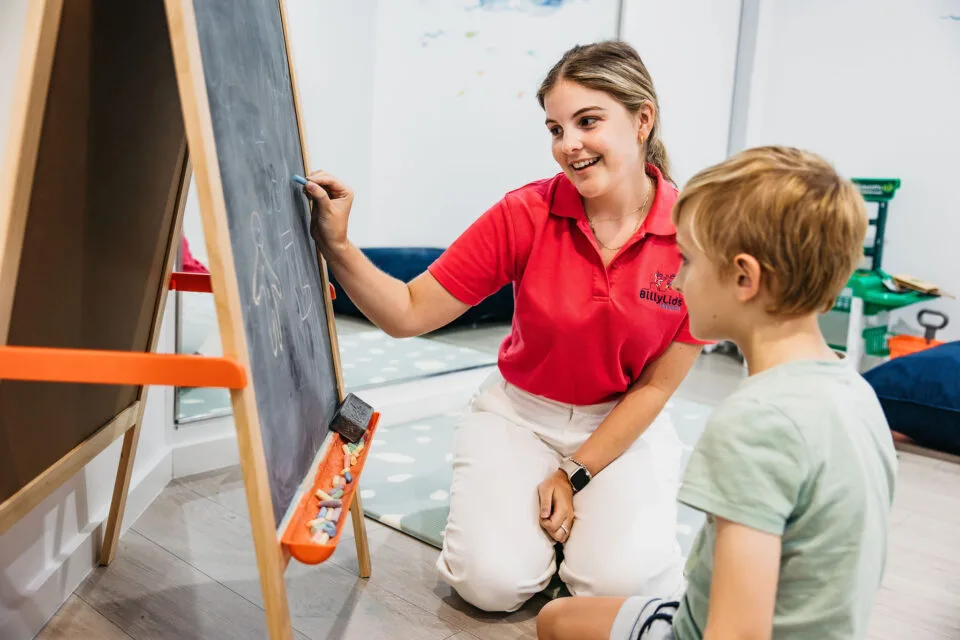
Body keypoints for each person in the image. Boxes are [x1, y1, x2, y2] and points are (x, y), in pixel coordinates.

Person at [302, 41, 706, 612]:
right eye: (555, 129)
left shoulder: (696, 236)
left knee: (622, 589)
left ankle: (574, 530)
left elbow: (657, 387)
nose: (569, 145)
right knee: (490, 585)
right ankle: (538, 531)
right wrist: (337, 243)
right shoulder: (526, 213)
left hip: (621, 423)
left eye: (588, 121)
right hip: (522, 414)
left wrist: (574, 474)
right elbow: (408, 312)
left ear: (643, 119)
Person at [535, 146, 899, 639]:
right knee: (561, 617)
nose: (679, 280)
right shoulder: (855, 391)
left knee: (553, 625)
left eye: (687, 259)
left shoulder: (755, 423)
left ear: (744, 277)